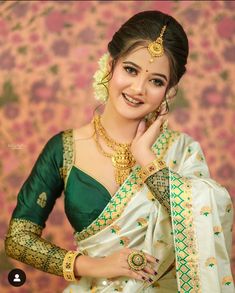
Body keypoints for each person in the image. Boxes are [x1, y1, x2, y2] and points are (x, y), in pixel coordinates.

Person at [5, 10, 234, 293]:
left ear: (170, 92)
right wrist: (94, 266)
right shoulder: (64, 148)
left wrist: (146, 159)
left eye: (156, 81)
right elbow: (18, 238)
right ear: (110, 66)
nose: (138, 88)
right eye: (131, 69)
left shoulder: (183, 151)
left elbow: (209, 216)